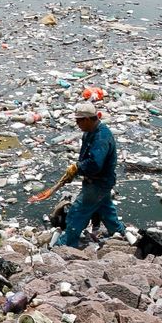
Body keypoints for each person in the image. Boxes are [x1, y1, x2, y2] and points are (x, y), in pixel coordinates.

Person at [52, 102, 126, 250]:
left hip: (98, 183)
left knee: (76, 213)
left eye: (78, 121)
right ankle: (120, 233)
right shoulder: (90, 131)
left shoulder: (101, 137)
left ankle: (65, 245)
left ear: (87, 119)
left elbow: (95, 164)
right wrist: (76, 169)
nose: (77, 124)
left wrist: (78, 167)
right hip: (99, 182)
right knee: (106, 209)